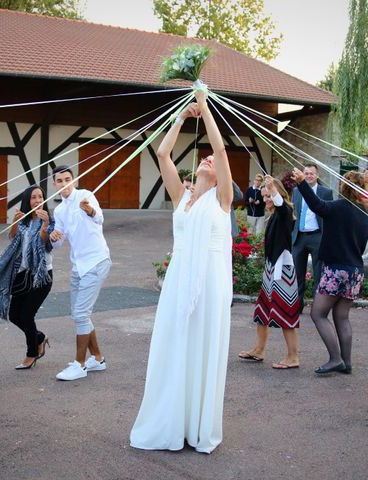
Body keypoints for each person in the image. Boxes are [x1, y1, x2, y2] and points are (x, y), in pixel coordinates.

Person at [130, 88, 233, 453]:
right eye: (202, 159)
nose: (207, 160)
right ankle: (173, 420)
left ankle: (199, 427)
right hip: (177, 282)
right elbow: (161, 153)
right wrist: (180, 118)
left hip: (211, 283)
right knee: (176, 347)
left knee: (202, 347)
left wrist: (205, 110)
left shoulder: (222, 201)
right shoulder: (181, 197)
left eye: (211, 163)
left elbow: (220, 150)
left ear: (221, 177)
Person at [293, 168, 368, 374]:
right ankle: (347, 362)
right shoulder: (365, 215)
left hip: (336, 268)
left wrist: (302, 183)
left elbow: (317, 205)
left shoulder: (338, 207)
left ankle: (335, 358)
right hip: (355, 271)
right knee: (342, 316)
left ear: (343, 188)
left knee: (318, 314)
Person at [50, 166, 110, 381]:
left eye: (67, 179)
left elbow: (99, 218)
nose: (64, 183)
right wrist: (54, 237)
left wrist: (90, 211)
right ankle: (97, 358)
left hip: (97, 261)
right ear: (54, 184)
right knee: (81, 314)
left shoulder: (85, 195)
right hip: (78, 266)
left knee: (80, 314)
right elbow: (58, 243)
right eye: (59, 180)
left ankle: (80, 364)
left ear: (73, 180)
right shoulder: (58, 210)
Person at [238, 175, 300, 369]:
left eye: (269, 196)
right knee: (262, 310)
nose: (266, 200)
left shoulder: (285, 212)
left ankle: (293, 357)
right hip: (271, 268)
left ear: (278, 194)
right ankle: (259, 349)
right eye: (264, 197)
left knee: (285, 314)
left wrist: (273, 189)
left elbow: (283, 207)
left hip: (283, 270)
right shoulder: (273, 215)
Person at [0, 185, 53, 370]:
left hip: (42, 275)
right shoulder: (24, 221)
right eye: (33, 197)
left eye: (40, 197)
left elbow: (46, 245)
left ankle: (31, 353)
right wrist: (15, 223)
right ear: (28, 201)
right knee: (14, 315)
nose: (37, 200)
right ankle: (39, 338)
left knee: (26, 315)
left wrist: (44, 226)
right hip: (23, 275)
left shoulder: (50, 221)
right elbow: (13, 238)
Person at [291, 164, 333, 313]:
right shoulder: (296, 191)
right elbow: (294, 213)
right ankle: (297, 307)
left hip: (317, 236)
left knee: (319, 274)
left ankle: (318, 308)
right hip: (299, 237)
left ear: (317, 175)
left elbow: (329, 216)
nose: (308, 176)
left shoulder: (326, 192)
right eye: (306, 173)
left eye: (311, 174)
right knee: (297, 274)